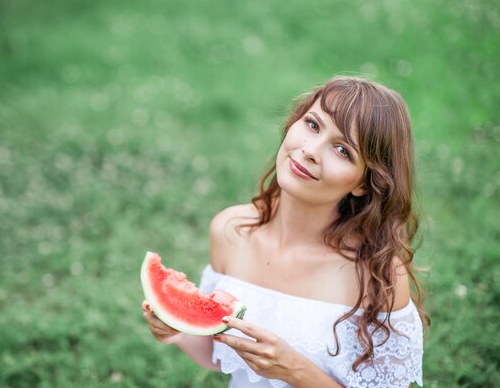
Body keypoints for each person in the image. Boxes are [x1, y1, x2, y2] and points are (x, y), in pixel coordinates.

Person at [142, 76, 429, 387]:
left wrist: (294, 370)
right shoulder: (230, 231)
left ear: (363, 183)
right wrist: (177, 331)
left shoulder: (378, 273)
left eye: (343, 150)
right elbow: (217, 350)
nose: (310, 151)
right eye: (313, 125)